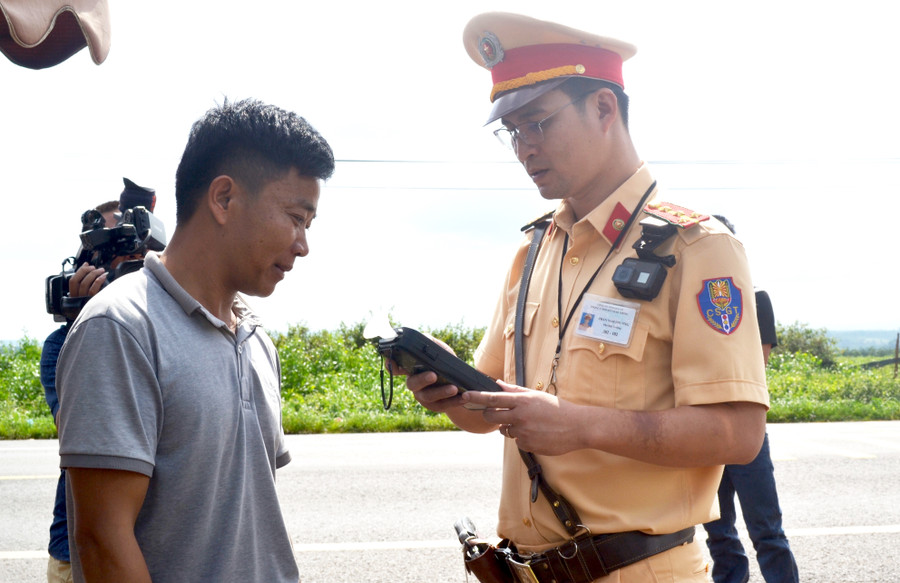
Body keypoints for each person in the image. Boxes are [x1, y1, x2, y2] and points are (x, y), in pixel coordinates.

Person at [402, 12, 770, 582]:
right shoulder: (533, 251)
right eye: (513, 132)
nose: (524, 148)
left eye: (538, 124)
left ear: (603, 107)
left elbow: (738, 434)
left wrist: (582, 425)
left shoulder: (697, 248)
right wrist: (448, 391)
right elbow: (489, 407)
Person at [56, 98, 335, 583]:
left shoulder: (255, 340)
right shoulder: (122, 328)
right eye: (295, 217)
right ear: (224, 198)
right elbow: (102, 541)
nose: (302, 244)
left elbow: (243, 522)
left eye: (307, 225)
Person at [40, 183, 155, 583]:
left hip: (157, 544)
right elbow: (79, 431)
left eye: (133, 252)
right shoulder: (62, 344)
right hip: (76, 553)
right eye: (108, 254)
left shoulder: (170, 330)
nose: (123, 264)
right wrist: (91, 322)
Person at [703, 216, 799, 583]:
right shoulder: (688, 297)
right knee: (718, 530)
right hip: (702, 428)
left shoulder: (754, 297)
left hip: (743, 426)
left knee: (767, 532)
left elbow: (756, 365)